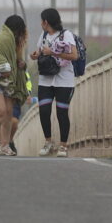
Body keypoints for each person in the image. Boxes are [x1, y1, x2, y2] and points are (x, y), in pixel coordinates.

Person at [30, 8, 80, 157]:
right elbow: (40, 51)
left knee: (61, 113)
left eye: (41, 21)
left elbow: (74, 55)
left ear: (46, 22)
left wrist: (53, 53)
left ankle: (63, 146)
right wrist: (35, 55)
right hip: (46, 80)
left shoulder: (67, 35)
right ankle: (48, 142)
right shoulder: (44, 35)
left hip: (64, 81)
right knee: (44, 111)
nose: (41, 24)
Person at [0, 15, 29, 156]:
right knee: (0, 111)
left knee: (9, 111)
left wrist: (22, 64)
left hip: (10, 82)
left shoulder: (17, 43)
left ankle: (5, 145)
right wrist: (2, 69)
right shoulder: (3, 38)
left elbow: (18, 62)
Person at [8, 71, 33, 156]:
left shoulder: (20, 66)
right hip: (2, 94)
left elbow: (27, 81)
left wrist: (28, 94)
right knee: (2, 120)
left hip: (16, 97)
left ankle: (10, 140)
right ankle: (3, 144)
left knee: (14, 122)